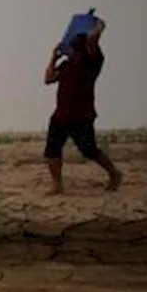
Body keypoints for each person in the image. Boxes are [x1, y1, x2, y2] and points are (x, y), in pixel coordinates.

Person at [43, 17, 123, 194]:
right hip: (61, 114)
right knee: (52, 149)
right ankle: (57, 184)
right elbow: (48, 79)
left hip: (81, 115)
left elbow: (93, 39)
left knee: (90, 150)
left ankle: (115, 174)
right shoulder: (67, 64)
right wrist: (53, 57)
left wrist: (97, 27)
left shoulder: (92, 62)